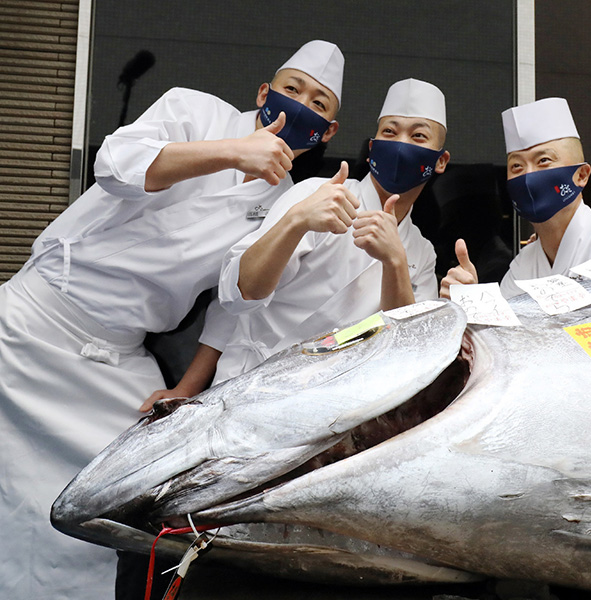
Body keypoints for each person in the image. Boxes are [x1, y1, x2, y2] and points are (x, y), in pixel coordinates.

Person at [0, 40, 344, 600]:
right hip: (34, 322)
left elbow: (236, 303)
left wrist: (187, 387)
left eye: (319, 101)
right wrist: (235, 152)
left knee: (123, 506)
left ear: (327, 131)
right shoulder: (194, 111)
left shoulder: (286, 199)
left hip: (117, 360)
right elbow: (114, 165)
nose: (301, 102)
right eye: (292, 88)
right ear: (264, 94)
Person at [213, 78, 446, 383]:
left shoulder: (421, 252)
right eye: (390, 131)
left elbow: (406, 354)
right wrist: (297, 221)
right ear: (372, 148)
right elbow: (239, 293)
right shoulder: (317, 193)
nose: (401, 144)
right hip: (251, 380)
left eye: (418, 136)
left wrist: (395, 262)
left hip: (333, 403)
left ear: (440, 161)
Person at [441, 97, 591, 299]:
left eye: (544, 161)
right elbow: (505, 337)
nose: (529, 176)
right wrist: (470, 301)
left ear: (581, 175)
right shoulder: (525, 263)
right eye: (517, 166)